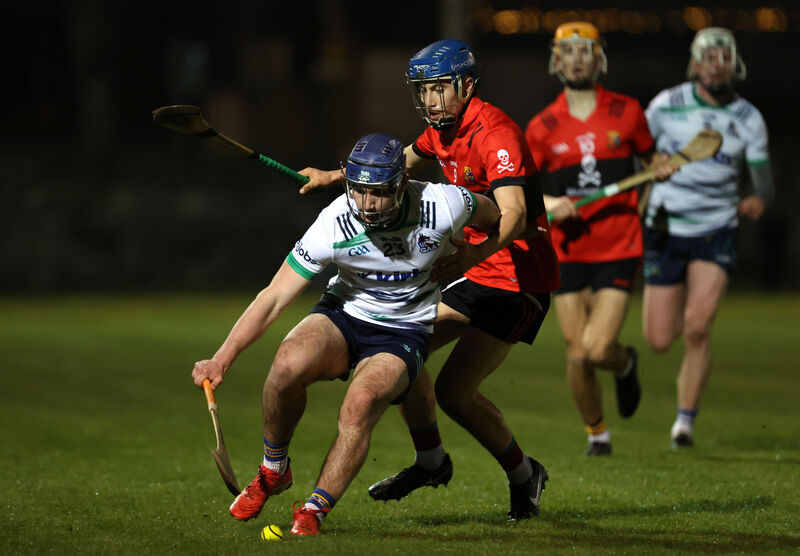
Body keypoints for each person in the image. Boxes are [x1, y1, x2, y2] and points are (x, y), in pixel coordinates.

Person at [299, 39, 560, 520]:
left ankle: (526, 475)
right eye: (424, 90)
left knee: (455, 393)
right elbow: (399, 161)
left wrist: (467, 258)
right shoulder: (442, 130)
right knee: (404, 351)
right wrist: (336, 176)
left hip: (519, 277)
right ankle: (431, 460)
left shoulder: (495, 132)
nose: (431, 100)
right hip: (477, 267)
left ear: (466, 84)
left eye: (440, 89)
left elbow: (517, 217)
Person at [191, 132, 501, 536]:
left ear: (402, 184)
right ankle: (273, 471)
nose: (367, 206)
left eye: (379, 194)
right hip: (343, 314)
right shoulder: (335, 221)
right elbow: (273, 297)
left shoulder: (443, 204)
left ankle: (314, 510)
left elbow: (496, 214)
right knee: (286, 366)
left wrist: (475, 252)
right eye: (358, 191)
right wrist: (223, 357)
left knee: (360, 404)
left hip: (402, 330)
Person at [525, 22, 674, 456]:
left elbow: (652, 164)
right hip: (568, 249)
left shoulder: (628, 112)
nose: (575, 58)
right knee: (577, 354)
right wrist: (552, 202)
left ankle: (624, 362)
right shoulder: (541, 126)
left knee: (596, 348)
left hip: (618, 245)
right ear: (556, 60)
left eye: (584, 50)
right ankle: (598, 434)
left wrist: (657, 176)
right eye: (566, 51)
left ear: (599, 57)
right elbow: (524, 187)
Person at [643, 27, 774, 449]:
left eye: (724, 58)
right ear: (695, 63)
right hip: (665, 225)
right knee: (659, 340)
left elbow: (765, 184)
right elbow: (635, 149)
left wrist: (758, 199)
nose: (717, 66)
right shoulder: (666, 105)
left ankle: (684, 423)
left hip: (717, 229)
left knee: (698, 328)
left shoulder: (749, 118)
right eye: (709, 58)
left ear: (735, 63)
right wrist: (652, 162)